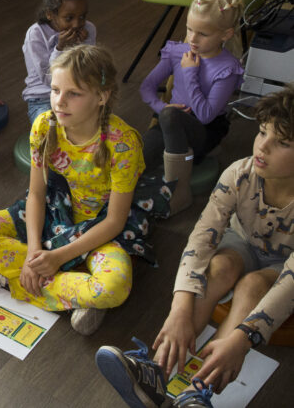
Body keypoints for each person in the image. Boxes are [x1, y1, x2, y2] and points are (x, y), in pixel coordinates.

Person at [95, 84, 294, 408]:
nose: (262, 146)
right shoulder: (239, 173)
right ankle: (154, 373)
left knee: (254, 284)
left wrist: (241, 339)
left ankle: (196, 393)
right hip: (242, 240)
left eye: (282, 142)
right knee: (221, 266)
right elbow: (203, 236)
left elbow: (291, 281)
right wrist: (179, 307)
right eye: (262, 133)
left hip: (282, 264)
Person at [0, 45, 154, 336]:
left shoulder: (122, 143)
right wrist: (35, 253)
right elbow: (35, 195)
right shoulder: (44, 126)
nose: (60, 102)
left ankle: (10, 276)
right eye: (56, 90)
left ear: (101, 97)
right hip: (55, 213)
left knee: (114, 287)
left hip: (100, 228)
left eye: (74, 93)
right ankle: (71, 292)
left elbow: (114, 222)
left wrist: (56, 258)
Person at [140, 0, 244, 216]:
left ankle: (179, 192)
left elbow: (205, 115)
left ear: (226, 34)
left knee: (170, 117)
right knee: (137, 158)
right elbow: (146, 88)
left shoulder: (227, 68)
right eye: (189, 29)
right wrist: (162, 108)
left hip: (203, 132)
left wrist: (190, 74)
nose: (193, 39)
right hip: (169, 124)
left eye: (203, 34)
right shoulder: (177, 53)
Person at [21, 0, 96, 123]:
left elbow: (89, 71)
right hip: (43, 98)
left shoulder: (88, 29)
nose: (77, 24)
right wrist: (60, 48)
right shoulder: (36, 34)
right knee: (51, 130)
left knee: (93, 125)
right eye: (69, 18)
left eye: (82, 16)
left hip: (76, 93)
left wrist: (83, 45)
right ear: (50, 14)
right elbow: (49, 79)